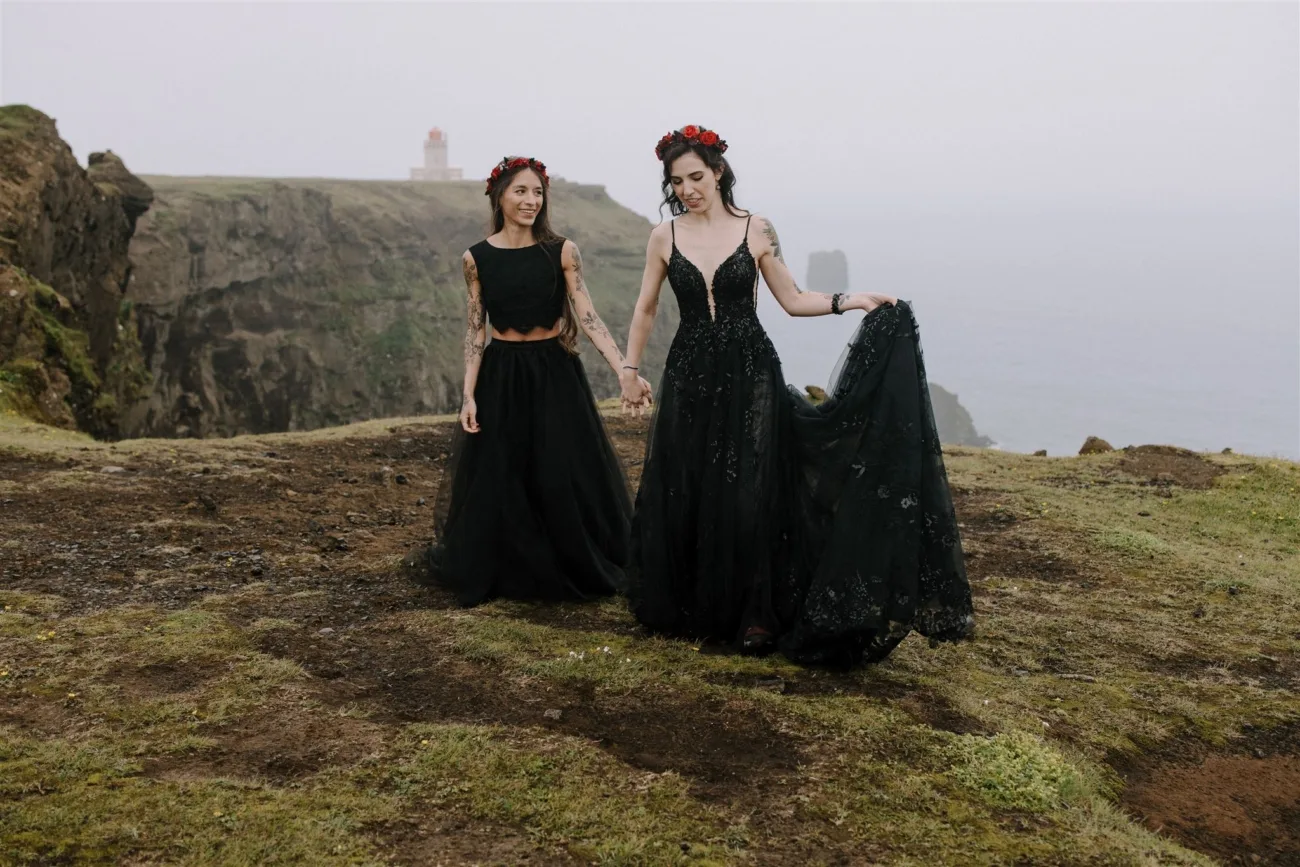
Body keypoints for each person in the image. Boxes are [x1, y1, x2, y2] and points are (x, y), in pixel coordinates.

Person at [618, 126, 975, 666]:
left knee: (751, 490)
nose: (688, 188)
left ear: (717, 172)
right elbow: (646, 308)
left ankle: (756, 612)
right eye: (677, 181)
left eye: (696, 176)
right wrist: (629, 368)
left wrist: (849, 300)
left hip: (750, 369)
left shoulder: (756, 228)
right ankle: (695, 604)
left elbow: (790, 298)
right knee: (689, 481)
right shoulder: (663, 236)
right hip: (689, 371)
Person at [418, 156, 649, 606]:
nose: (530, 201)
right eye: (520, 191)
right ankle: (515, 567)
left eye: (538, 192)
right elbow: (475, 328)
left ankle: (569, 561)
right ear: (499, 196)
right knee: (506, 472)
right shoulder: (476, 258)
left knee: (560, 466)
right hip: (502, 372)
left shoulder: (562, 250)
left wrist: (624, 368)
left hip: (555, 371)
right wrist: (468, 394)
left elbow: (587, 314)